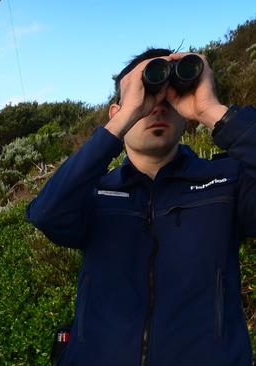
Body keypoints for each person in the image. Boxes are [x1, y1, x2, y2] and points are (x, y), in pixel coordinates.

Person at [26, 48, 255, 366]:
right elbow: (46, 214)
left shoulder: (227, 181)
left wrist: (211, 109)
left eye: (168, 101)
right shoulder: (96, 191)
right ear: (117, 112)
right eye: (145, 100)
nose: (157, 109)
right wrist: (124, 119)